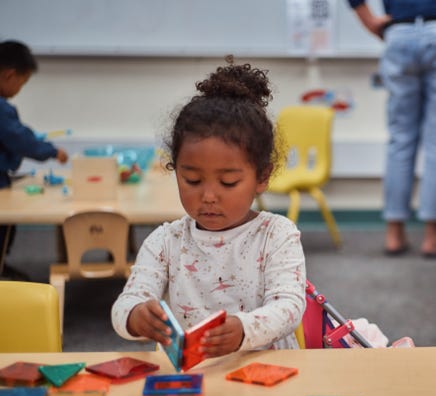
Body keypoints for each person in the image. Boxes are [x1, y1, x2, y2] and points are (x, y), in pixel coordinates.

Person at [111, 60, 307, 357]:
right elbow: (125, 304)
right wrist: (136, 316)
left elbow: (290, 306)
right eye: (191, 180)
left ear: (262, 177)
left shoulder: (276, 235)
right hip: (196, 376)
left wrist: (244, 329)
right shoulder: (166, 242)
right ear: (175, 170)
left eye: (228, 182)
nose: (209, 196)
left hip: (268, 369)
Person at [347, 1, 436, 257]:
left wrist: (370, 20)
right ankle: (431, 238)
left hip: (399, 32)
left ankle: (394, 234)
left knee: (400, 140)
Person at [0, 40, 68, 277]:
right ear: (10, 75)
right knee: (4, 220)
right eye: (22, 81)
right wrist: (51, 150)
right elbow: (20, 138)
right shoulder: (2, 109)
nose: (20, 87)